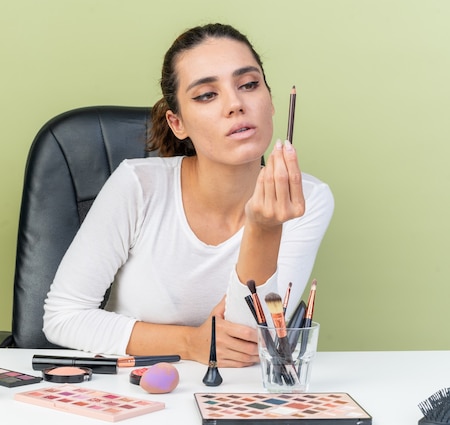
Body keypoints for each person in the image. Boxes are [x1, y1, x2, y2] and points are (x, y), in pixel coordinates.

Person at [43, 23, 334, 367]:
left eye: (249, 84)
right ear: (177, 123)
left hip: (235, 398)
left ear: (270, 101)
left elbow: (248, 340)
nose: (236, 104)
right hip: (133, 390)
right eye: (206, 95)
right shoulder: (137, 186)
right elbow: (63, 316)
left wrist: (263, 228)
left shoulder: (307, 198)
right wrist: (191, 343)